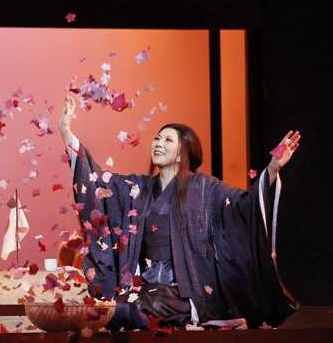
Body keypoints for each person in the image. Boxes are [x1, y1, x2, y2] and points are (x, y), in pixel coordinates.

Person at [58, 94, 300, 330]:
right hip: (146, 287)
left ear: (183, 153)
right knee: (110, 311)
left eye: (167, 140)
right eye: (157, 139)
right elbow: (97, 183)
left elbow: (241, 205)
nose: (158, 144)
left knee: (137, 309)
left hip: (187, 290)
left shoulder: (205, 187)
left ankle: (207, 314)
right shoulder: (137, 189)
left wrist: (271, 169)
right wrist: (67, 133)